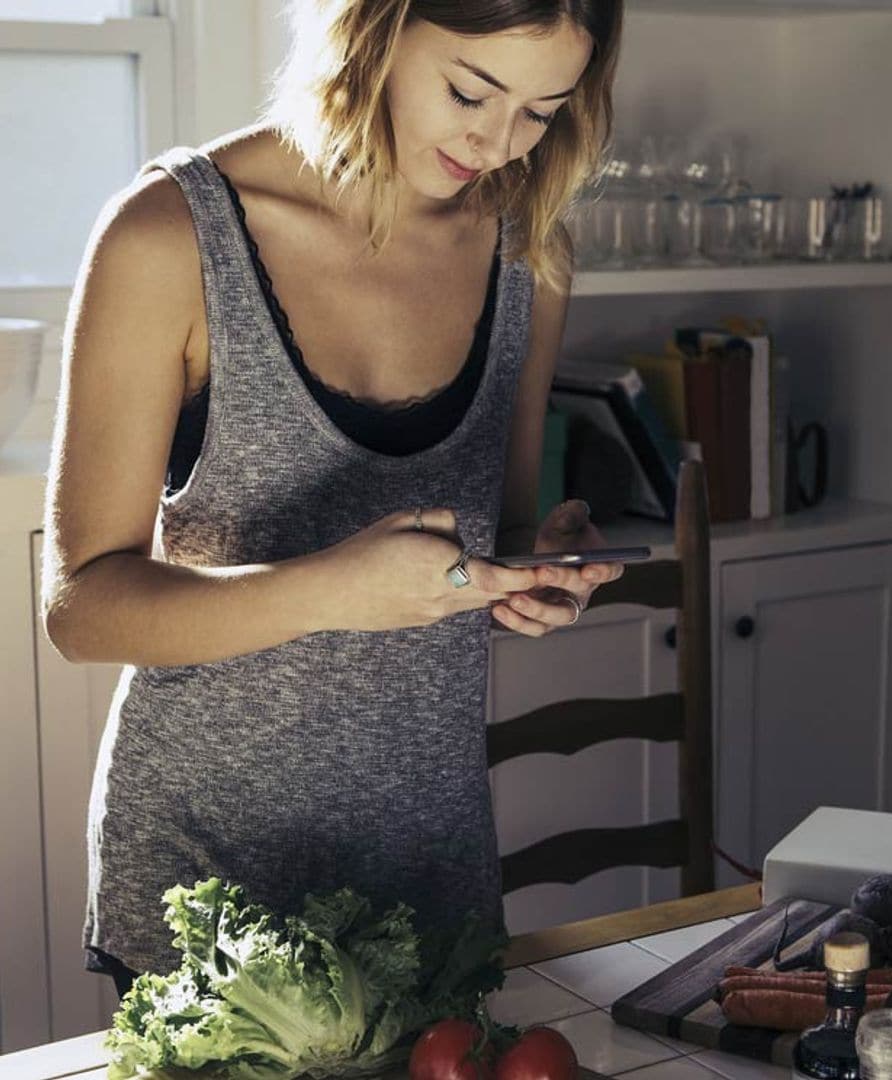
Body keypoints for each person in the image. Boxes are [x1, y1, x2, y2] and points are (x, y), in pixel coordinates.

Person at [39, 0, 625, 1001]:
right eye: (469, 90)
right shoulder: (171, 234)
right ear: (378, 27)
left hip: (431, 859)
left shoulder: (530, 245)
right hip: (211, 864)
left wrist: (539, 568)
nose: (497, 141)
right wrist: (327, 590)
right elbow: (82, 610)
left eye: (542, 109)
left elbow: (507, 524)